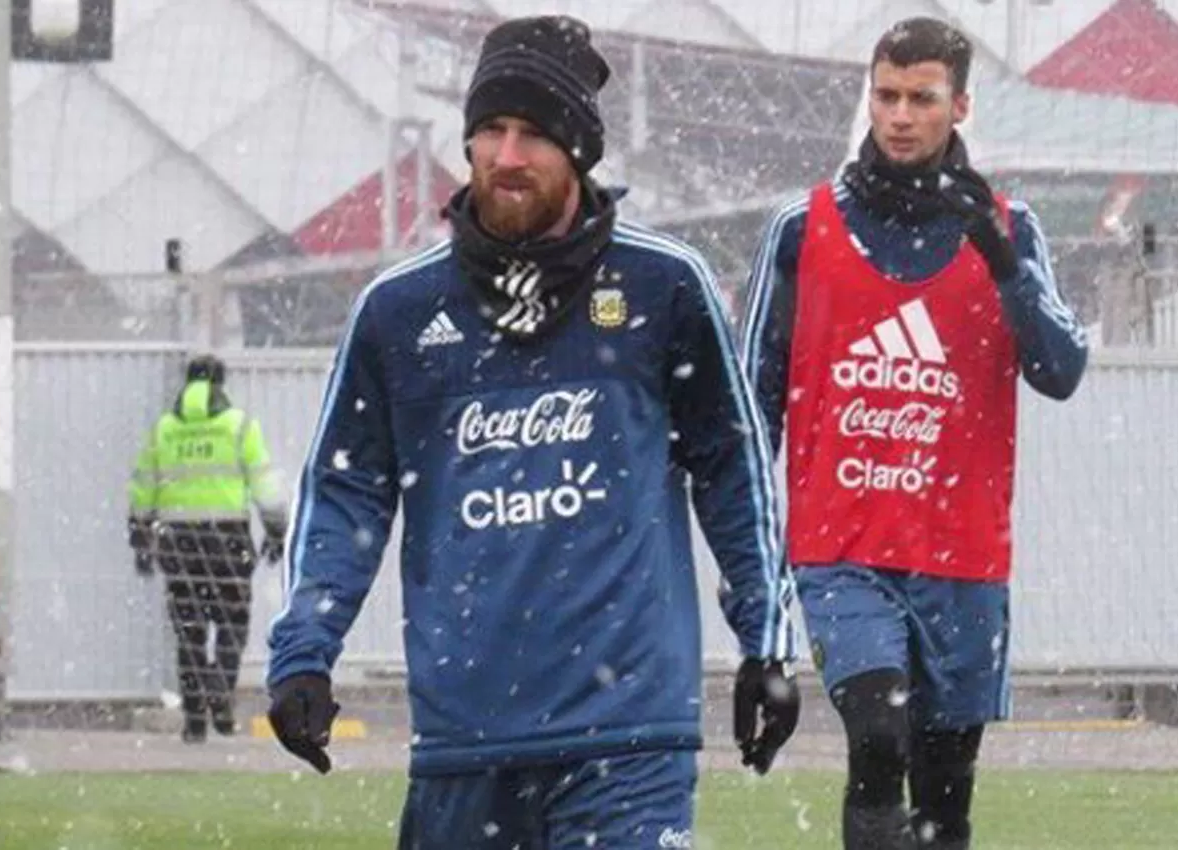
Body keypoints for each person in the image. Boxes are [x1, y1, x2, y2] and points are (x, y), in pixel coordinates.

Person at [266, 15, 800, 848]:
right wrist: (305, 650)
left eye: (534, 135)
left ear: (580, 152)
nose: (506, 156)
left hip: (629, 735)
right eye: (490, 131)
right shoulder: (400, 313)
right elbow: (345, 490)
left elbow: (733, 471)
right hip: (465, 739)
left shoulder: (663, 286)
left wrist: (765, 644)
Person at [741, 17, 1089, 850]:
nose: (898, 115)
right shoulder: (802, 227)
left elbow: (1062, 370)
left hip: (962, 558)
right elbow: (749, 406)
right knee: (877, 739)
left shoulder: (1010, 224)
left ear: (959, 105)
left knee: (944, 799)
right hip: (842, 552)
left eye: (920, 98)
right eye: (885, 95)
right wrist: (761, 599)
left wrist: (1003, 264)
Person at [128, 354, 287, 742]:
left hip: (178, 543)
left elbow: (143, 486)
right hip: (228, 539)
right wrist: (276, 530)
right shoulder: (239, 427)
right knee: (232, 623)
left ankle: (195, 719)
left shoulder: (164, 430)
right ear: (221, 383)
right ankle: (220, 689)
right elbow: (264, 483)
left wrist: (140, 536)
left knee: (189, 631)